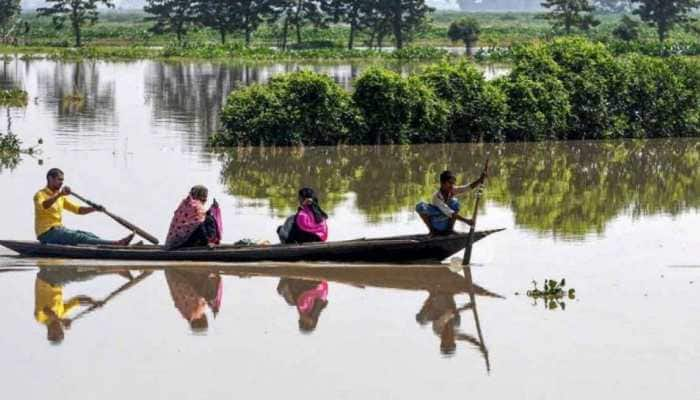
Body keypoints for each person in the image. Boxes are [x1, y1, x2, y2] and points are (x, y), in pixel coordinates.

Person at [34, 168, 134, 246]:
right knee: (80, 237)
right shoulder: (40, 195)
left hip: (59, 230)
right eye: (59, 179)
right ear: (50, 179)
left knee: (89, 235)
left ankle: (111, 245)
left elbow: (78, 210)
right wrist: (60, 194)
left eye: (62, 180)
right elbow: (45, 205)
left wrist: (95, 208)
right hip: (46, 234)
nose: (61, 183)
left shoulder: (60, 197)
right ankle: (117, 244)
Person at [415, 170, 486, 236]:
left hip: (446, 221)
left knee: (455, 202)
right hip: (437, 222)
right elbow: (449, 212)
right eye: (449, 183)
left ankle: (450, 229)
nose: (452, 185)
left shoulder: (451, 190)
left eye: (453, 183)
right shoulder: (436, 197)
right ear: (442, 183)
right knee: (420, 206)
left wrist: (480, 180)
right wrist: (466, 221)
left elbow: (467, 188)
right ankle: (432, 231)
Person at [165, 185, 223, 250]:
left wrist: (212, 209)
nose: (205, 199)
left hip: (173, 243)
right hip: (182, 242)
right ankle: (208, 242)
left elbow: (199, 217)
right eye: (203, 196)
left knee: (207, 217)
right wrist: (207, 243)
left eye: (206, 197)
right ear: (198, 195)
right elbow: (199, 224)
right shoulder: (196, 206)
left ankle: (208, 241)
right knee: (208, 219)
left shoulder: (185, 203)